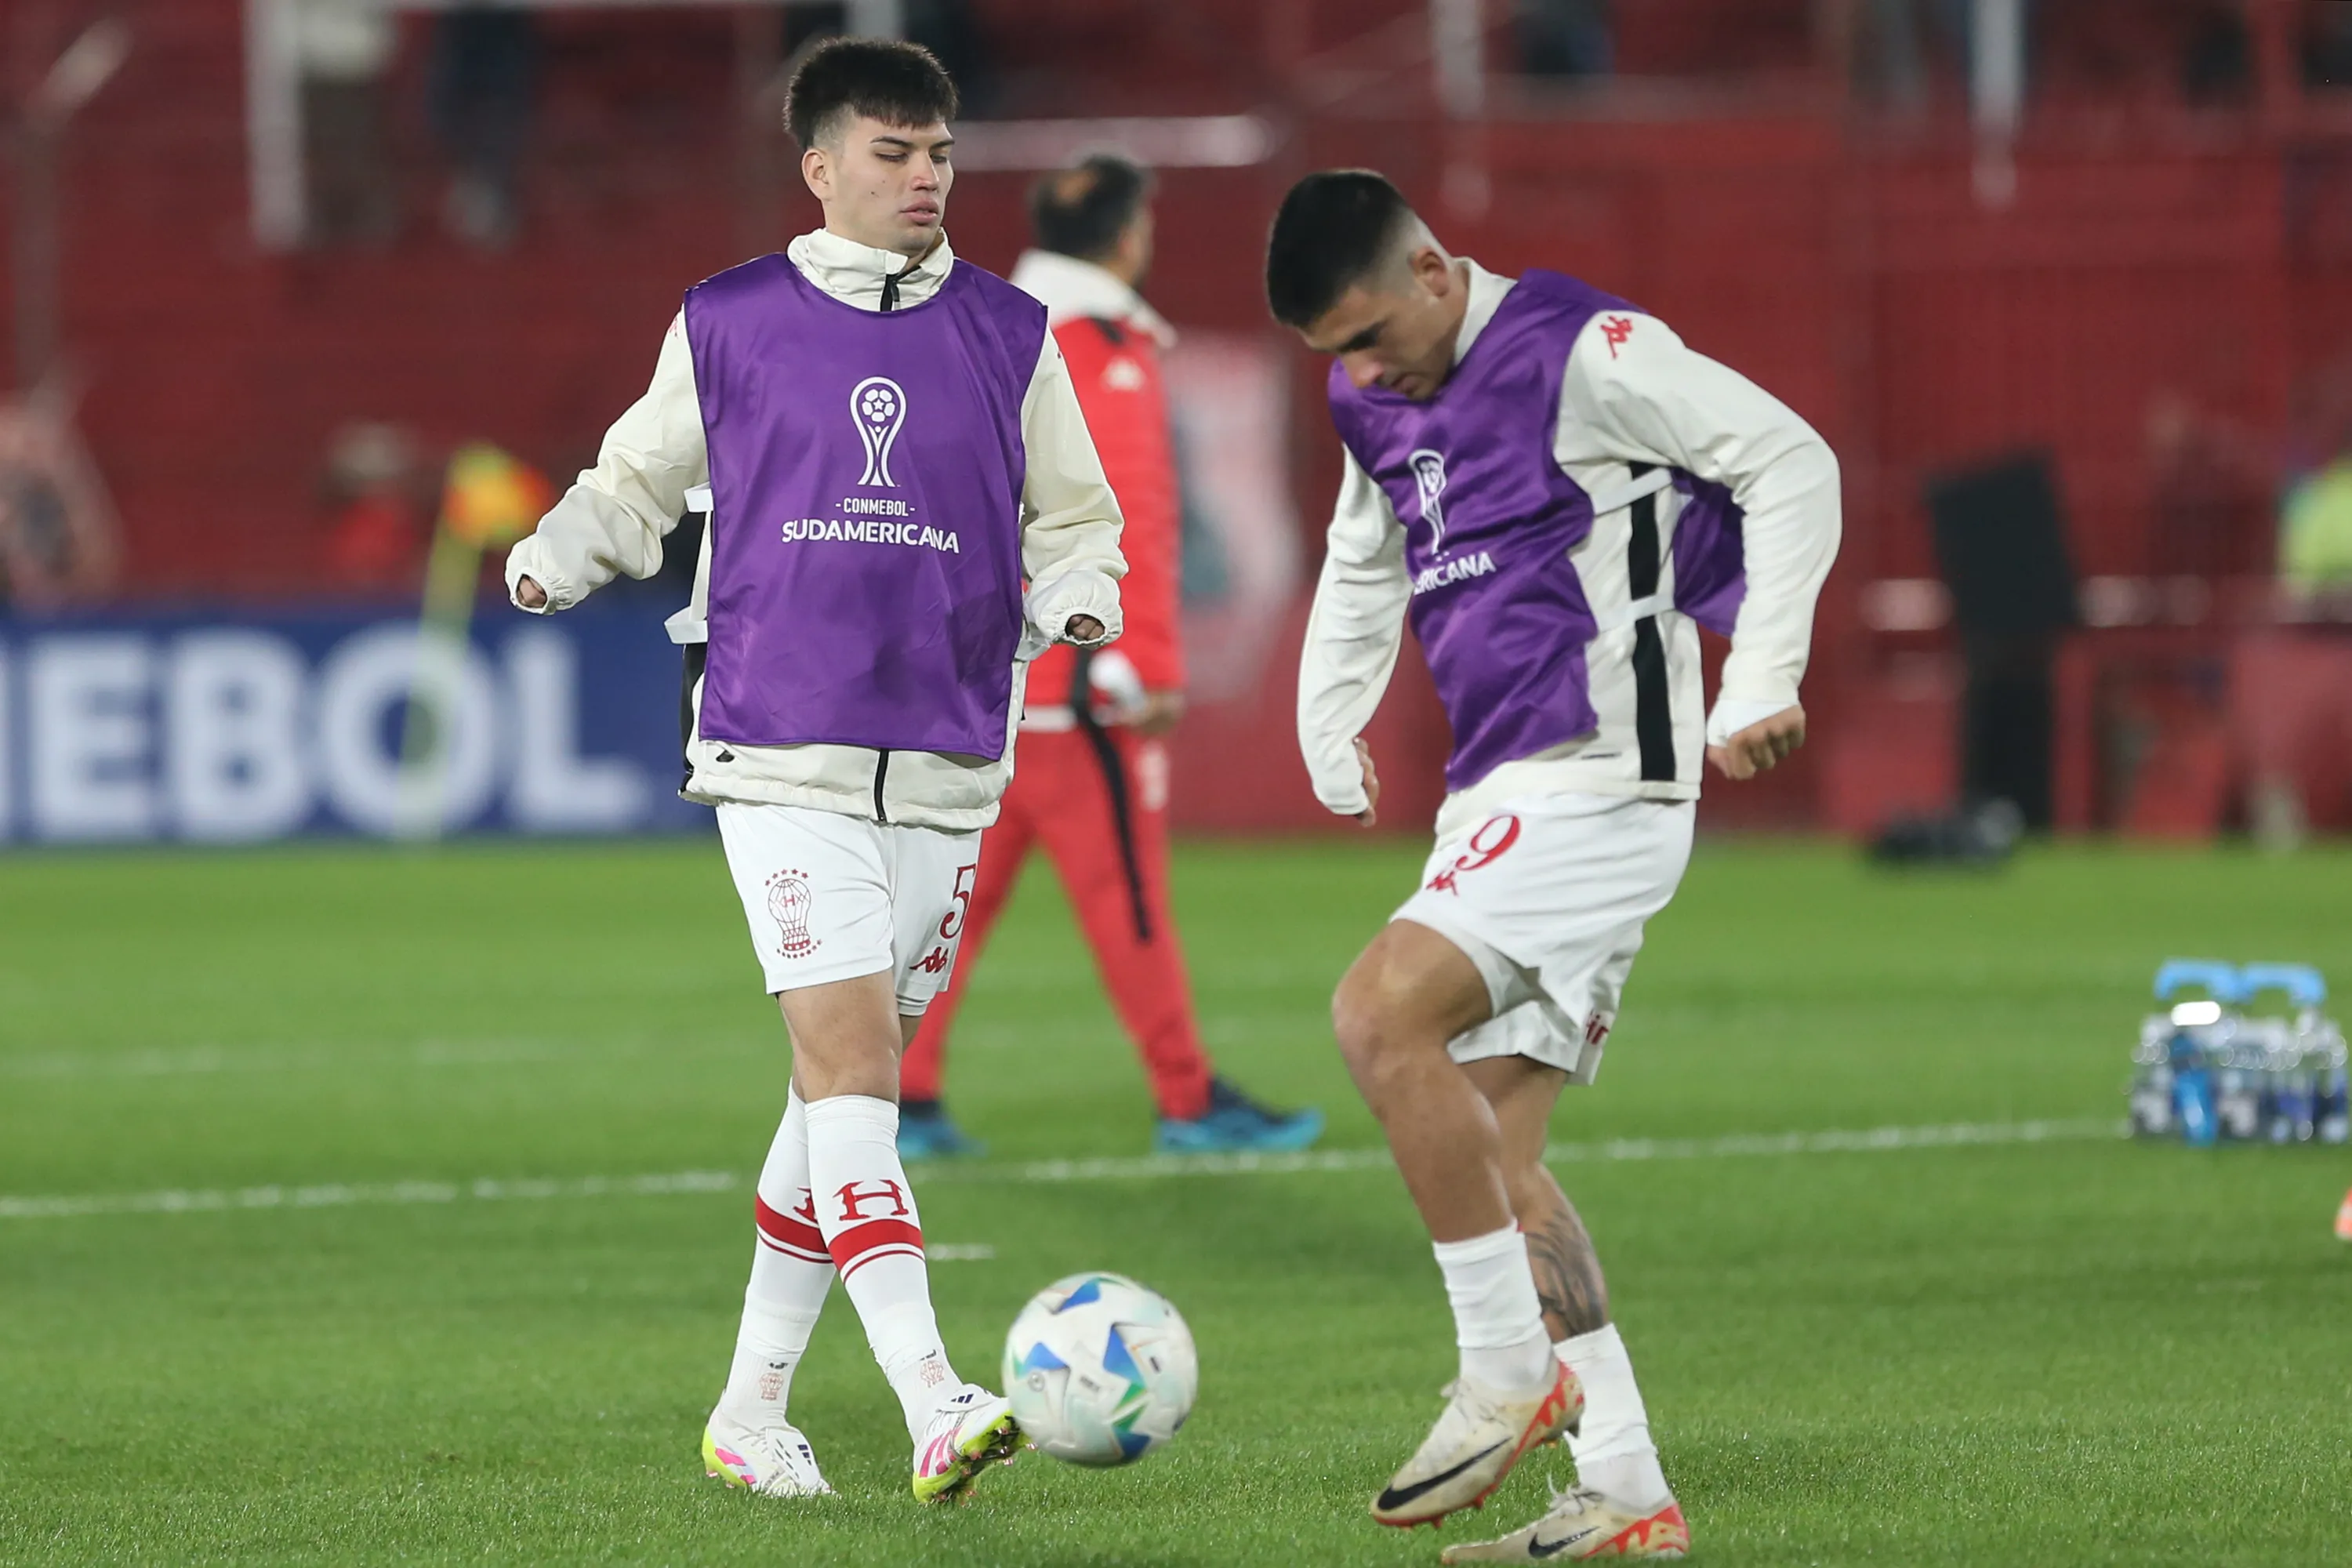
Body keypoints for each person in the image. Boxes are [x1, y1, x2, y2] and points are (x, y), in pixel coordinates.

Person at [503, 38, 1125, 1504]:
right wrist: (550, 559)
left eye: (941, 154)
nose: (925, 177)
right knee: (855, 1076)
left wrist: (1083, 596)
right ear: (822, 167)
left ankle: (749, 1412)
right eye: (895, 153)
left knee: (825, 1099)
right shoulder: (727, 322)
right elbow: (637, 482)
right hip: (781, 750)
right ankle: (933, 1397)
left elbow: (1076, 516)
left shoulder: (1010, 331)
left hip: (954, 760)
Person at [1269, 171, 1839, 1560]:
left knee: (1376, 1013)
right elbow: (1365, 557)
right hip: (1497, 792)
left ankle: (1503, 1373)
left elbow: (1790, 459)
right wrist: (1327, 718)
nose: (1358, 371)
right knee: (1493, 1146)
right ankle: (1629, 1485)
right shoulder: (1370, 398)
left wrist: (1763, 669)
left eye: (1366, 332)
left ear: (1433, 266)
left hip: (1603, 778)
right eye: (1332, 353)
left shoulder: (1588, 352)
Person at [896, 153, 1323, 1159]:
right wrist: (1151, 664)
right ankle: (1187, 1099)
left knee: (956, 901)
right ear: (1128, 236)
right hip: (1078, 685)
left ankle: (898, 1096)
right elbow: (1128, 513)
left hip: (988, 687)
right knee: (1129, 902)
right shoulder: (1101, 346)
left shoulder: (981, 329)